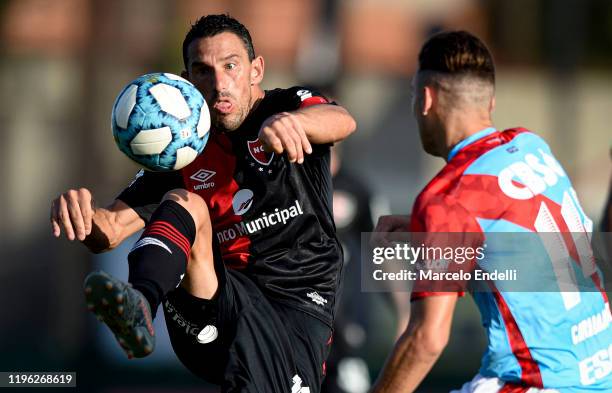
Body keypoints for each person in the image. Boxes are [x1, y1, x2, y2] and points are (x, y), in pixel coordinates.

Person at [50, 14, 356, 392]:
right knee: (184, 202)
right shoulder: (183, 150)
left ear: (255, 70)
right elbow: (109, 231)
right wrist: (81, 215)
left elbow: (341, 119)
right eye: (203, 71)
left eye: (230, 66)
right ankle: (141, 303)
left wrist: (299, 125)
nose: (220, 84)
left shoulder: (288, 106)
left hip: (297, 306)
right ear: (188, 81)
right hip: (216, 303)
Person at [371, 31, 611, 392]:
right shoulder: (531, 145)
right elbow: (518, 231)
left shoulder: (447, 198)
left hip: (535, 382)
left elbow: (427, 340)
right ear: (492, 102)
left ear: (426, 98)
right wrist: (424, 229)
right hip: (600, 372)